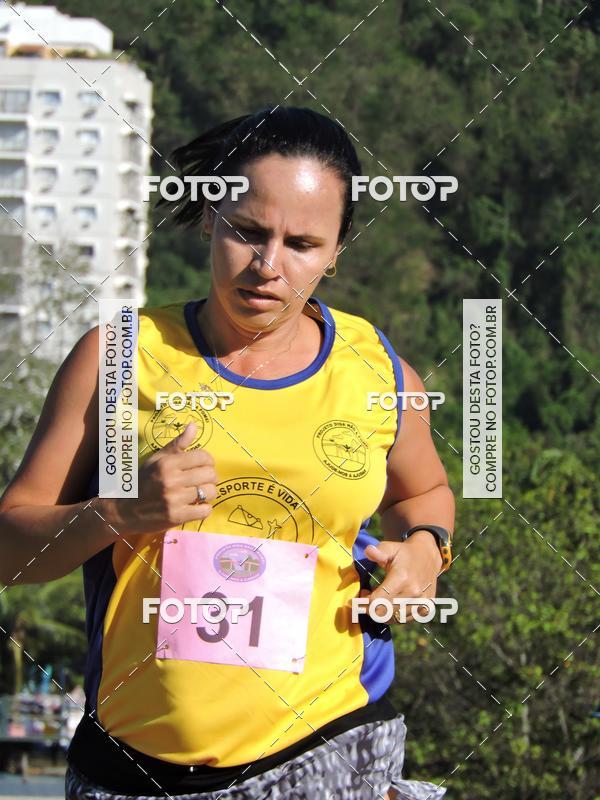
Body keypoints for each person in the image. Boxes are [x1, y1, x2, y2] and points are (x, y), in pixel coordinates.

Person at [0, 106, 454, 800]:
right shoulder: (120, 357)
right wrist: (119, 511)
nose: (268, 266)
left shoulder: (378, 372)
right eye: (247, 231)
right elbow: (9, 550)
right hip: (132, 768)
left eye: (302, 243)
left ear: (337, 252)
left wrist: (426, 547)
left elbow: (424, 495)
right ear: (210, 216)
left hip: (329, 747)